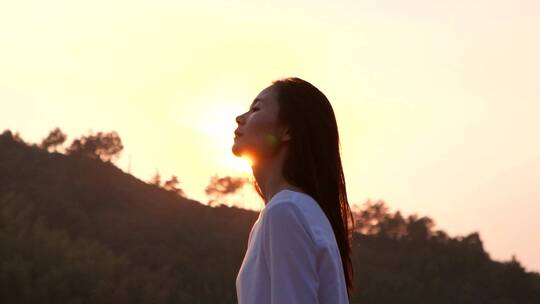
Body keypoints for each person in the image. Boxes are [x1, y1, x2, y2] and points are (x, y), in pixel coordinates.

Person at [233, 77, 354, 303]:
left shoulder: (286, 211)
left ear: (287, 130)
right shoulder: (295, 211)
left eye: (256, 109)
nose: (240, 118)